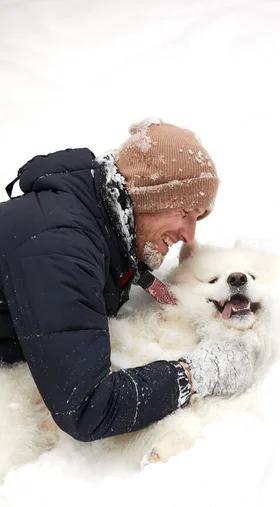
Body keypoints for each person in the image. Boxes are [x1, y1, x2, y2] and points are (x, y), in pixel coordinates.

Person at [0, 118, 257, 443]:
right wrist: (198, 373)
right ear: (148, 197)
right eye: (184, 213)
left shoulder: (98, 225)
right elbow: (88, 408)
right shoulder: (62, 248)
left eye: (199, 218)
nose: (190, 235)